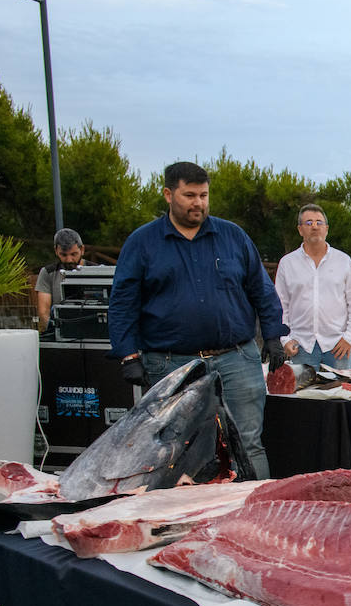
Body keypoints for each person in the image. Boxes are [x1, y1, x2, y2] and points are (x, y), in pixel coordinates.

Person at [109, 160, 288, 479]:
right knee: (177, 451)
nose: (198, 203)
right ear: (168, 194)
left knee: (248, 444)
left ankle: (257, 519)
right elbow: (123, 302)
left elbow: (261, 289)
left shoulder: (232, 236)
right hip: (171, 364)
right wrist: (128, 355)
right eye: (190, 195)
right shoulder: (142, 243)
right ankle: (188, 524)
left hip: (236, 360)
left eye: (204, 195)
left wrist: (273, 336)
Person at [274, 204, 351, 369]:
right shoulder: (287, 263)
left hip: (338, 347)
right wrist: (285, 339)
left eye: (319, 222)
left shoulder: (344, 261)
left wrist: (349, 338)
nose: (314, 227)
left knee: (341, 393)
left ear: (326, 229)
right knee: (303, 395)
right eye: (308, 223)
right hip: (300, 346)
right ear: (300, 229)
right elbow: (280, 306)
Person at [35, 227, 89, 332]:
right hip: (60, 331)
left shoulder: (96, 271)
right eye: (63, 255)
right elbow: (43, 312)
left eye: (73, 254)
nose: (69, 260)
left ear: (82, 250)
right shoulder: (48, 273)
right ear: (56, 251)